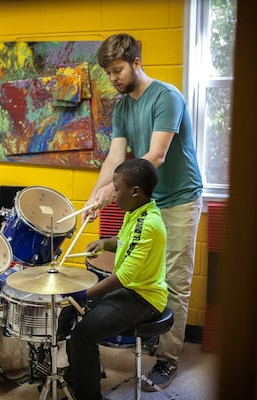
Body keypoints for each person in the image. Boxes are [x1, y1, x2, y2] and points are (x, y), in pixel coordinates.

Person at [83, 33, 203, 390]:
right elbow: (115, 157)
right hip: (147, 200)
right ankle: (154, 337)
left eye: (117, 70)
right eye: (108, 73)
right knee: (138, 270)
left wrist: (111, 191)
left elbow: (156, 156)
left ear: (136, 63)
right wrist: (94, 197)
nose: (113, 78)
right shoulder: (122, 107)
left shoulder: (166, 97)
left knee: (175, 281)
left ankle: (167, 361)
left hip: (179, 197)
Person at [65, 158, 168, 400]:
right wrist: (104, 243)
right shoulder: (136, 211)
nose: (113, 194)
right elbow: (124, 242)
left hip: (144, 298)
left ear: (135, 191)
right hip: (132, 290)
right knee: (74, 313)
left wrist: (84, 293)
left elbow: (122, 277)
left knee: (82, 334)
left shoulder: (148, 224)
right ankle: (82, 375)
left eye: (116, 188)